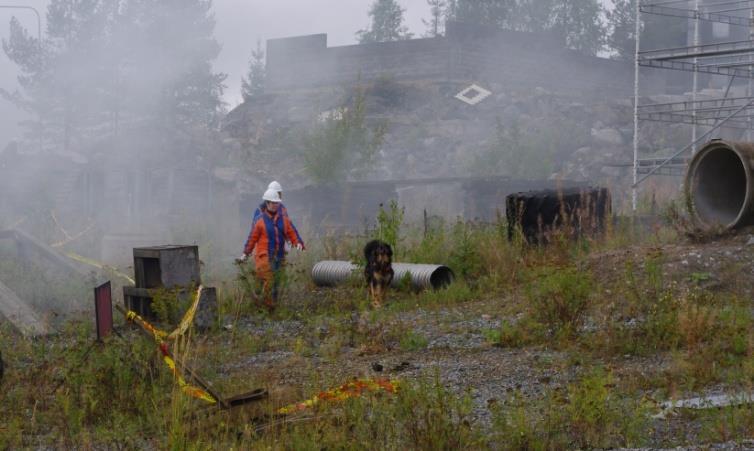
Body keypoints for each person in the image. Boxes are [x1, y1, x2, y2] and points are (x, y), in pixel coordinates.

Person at [241, 188, 303, 311]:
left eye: (277, 203)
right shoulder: (260, 221)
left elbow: (291, 232)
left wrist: (298, 243)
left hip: (279, 256)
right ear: (267, 203)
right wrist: (245, 253)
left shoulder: (283, 219)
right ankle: (268, 308)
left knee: (277, 281)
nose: (275, 205)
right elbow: (252, 238)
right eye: (273, 203)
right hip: (264, 256)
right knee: (268, 281)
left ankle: (272, 305)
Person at [252, 181, 305, 249]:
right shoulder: (260, 210)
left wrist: (296, 241)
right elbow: (254, 229)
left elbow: (289, 226)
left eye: (280, 193)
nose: (279, 196)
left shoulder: (282, 208)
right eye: (278, 193)